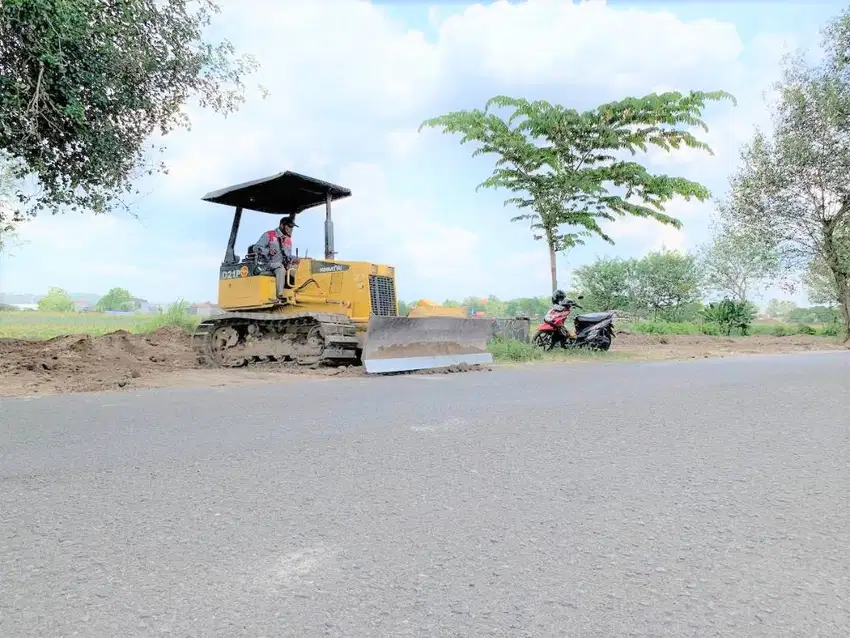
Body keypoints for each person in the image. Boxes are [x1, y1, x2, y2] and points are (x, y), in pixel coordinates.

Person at [254, 215, 298, 294]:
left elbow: (288, 256)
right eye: (290, 226)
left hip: (282, 265)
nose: (291, 229)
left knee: (299, 268)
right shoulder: (269, 235)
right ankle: (279, 296)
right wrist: (267, 251)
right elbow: (256, 248)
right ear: (282, 225)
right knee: (280, 268)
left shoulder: (288, 240)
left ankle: (298, 293)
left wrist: (299, 259)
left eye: (292, 227)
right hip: (267, 265)